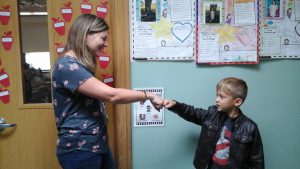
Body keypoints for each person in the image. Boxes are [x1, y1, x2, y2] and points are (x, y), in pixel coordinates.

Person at [52, 14, 164, 169]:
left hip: (95, 145)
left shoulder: (77, 65)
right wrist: (148, 95)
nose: (106, 44)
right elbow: (112, 95)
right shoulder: (67, 66)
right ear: (85, 35)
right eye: (103, 38)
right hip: (79, 149)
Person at [163, 77, 264, 169]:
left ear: (237, 102)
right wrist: (175, 105)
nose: (217, 100)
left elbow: (257, 160)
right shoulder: (212, 114)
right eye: (217, 95)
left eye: (222, 97)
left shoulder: (250, 127)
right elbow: (192, 113)